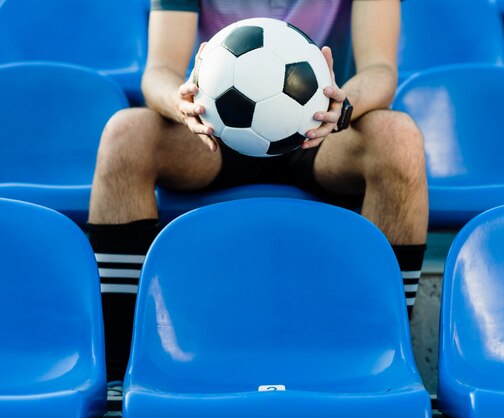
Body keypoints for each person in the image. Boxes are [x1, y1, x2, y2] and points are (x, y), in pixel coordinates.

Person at [87, 0, 428, 382]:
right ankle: (118, 367)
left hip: (319, 130)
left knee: (399, 138)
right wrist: (180, 102)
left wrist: (343, 105)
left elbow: (380, 69)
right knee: (125, 134)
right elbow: (159, 71)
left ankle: (386, 359)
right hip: (218, 129)